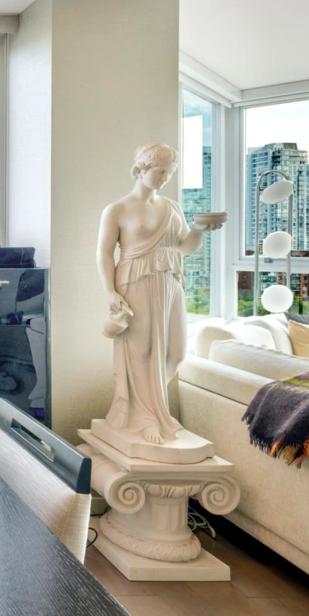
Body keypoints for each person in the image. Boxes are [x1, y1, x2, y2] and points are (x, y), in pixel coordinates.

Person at [96, 143, 225, 444]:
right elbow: (103, 253)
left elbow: (185, 247)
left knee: (176, 352)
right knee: (142, 354)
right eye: (160, 171)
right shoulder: (117, 209)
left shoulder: (172, 207)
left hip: (170, 282)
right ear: (141, 169)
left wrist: (200, 229)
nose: (165, 177)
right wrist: (109, 291)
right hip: (136, 281)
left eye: (169, 172)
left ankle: (150, 408)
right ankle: (144, 418)